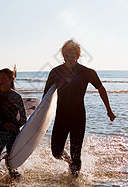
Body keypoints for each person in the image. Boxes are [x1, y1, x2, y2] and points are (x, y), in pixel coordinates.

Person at [43, 39, 116, 177]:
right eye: (66, 53)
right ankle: (69, 162)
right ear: (63, 55)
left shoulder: (87, 72)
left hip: (78, 117)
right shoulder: (55, 72)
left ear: (78, 55)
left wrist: (109, 109)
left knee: (76, 154)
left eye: (72, 53)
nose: (69, 56)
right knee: (56, 152)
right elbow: (46, 97)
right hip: (61, 117)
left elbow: (101, 89)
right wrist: (43, 121)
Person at [0, 67, 27, 178]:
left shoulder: (16, 97)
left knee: (12, 168)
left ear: (11, 79)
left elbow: (24, 118)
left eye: (4, 78)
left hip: (11, 133)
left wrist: (14, 125)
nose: (1, 80)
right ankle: (5, 155)